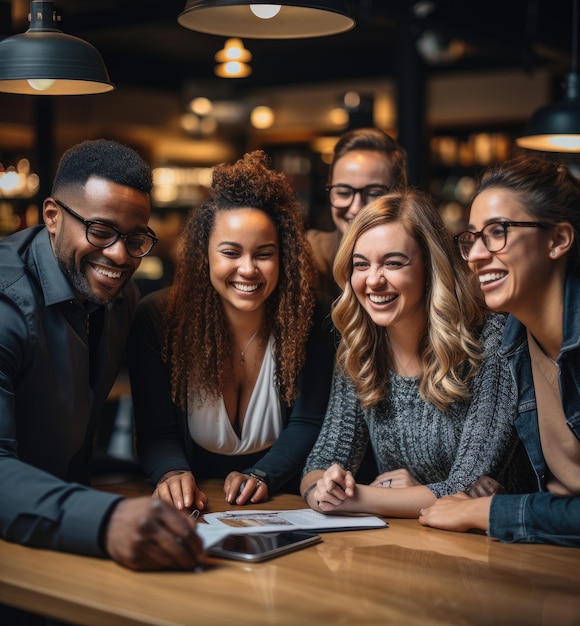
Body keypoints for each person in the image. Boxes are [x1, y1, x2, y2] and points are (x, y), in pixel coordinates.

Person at [0, 139, 205, 624]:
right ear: (52, 215)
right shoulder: (6, 307)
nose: (120, 255)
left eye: (137, 238)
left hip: (63, 545)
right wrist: (106, 519)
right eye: (101, 231)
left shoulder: (122, 297)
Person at [419, 155, 580, 552]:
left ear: (558, 240)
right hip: (561, 559)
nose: (477, 255)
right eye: (473, 237)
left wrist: (486, 511)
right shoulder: (509, 340)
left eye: (497, 232)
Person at [300, 188, 532, 517]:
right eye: (361, 265)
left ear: (430, 267)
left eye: (393, 263)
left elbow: (465, 486)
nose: (373, 280)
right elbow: (321, 463)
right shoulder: (360, 347)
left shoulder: (488, 342)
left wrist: (357, 498)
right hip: (411, 542)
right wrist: (322, 491)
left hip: (498, 547)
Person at [128, 150, 335, 514]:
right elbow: (155, 431)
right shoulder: (159, 317)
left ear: (283, 256)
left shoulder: (312, 315)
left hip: (282, 502)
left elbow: (308, 420)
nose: (248, 269)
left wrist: (263, 474)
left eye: (264, 254)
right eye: (231, 252)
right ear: (204, 254)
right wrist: (171, 472)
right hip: (195, 508)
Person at [307, 127, 407, 298]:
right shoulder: (310, 254)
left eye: (374, 193)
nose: (356, 209)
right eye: (343, 192)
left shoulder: (420, 259)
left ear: (399, 194)